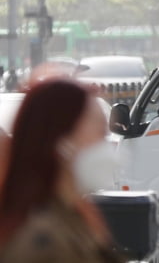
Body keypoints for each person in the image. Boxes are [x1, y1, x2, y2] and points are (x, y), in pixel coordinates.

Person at [0, 78, 122, 263]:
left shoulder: (73, 218)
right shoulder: (42, 242)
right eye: (99, 134)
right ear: (63, 144)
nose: (106, 148)